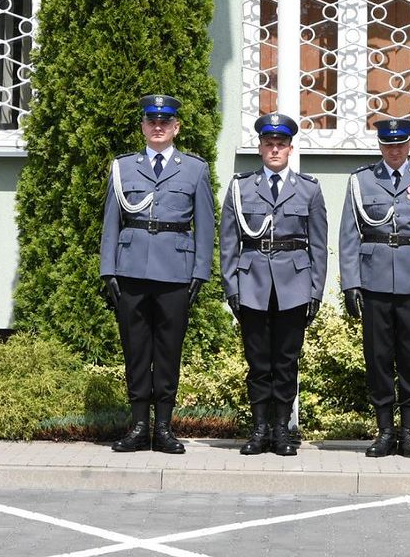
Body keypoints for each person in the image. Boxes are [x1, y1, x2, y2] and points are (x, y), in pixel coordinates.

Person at [99, 94, 215, 454]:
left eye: (165, 122)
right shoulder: (124, 167)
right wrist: (108, 269)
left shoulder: (194, 169)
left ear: (176, 127)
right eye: (152, 121)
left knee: (168, 350)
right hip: (131, 268)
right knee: (135, 350)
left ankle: (163, 428)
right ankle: (138, 428)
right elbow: (111, 221)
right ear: (143, 127)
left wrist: (200, 271)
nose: (158, 127)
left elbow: (205, 224)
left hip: (176, 272)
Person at [338, 117, 410, 458]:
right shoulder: (361, 180)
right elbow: (348, 235)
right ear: (380, 146)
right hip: (373, 282)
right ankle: (385, 431)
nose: (395, 151)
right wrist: (351, 283)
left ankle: (409, 433)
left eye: (400, 144)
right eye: (388, 145)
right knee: (378, 358)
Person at [219, 113, 327, 457]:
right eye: (269, 144)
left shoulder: (309, 189)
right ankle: (259, 429)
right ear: (260, 148)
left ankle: (281, 430)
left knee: (286, 362)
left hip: (294, 285)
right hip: (252, 283)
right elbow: (228, 242)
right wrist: (231, 286)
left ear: (291, 149)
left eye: (281, 144)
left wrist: (315, 290)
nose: (275, 149)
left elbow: (319, 244)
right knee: (257, 362)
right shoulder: (241, 187)